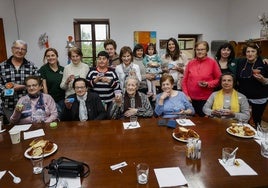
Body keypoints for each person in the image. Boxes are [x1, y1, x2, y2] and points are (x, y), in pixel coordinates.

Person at [0, 40, 39, 121]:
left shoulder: (31, 66)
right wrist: (11, 90)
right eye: (17, 48)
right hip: (9, 106)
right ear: (12, 49)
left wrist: (23, 87)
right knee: (13, 129)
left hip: (29, 105)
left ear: (26, 52)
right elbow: (0, 89)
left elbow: (38, 84)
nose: (20, 51)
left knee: (30, 129)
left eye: (23, 49)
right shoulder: (2, 66)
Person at [182, 41, 222, 117]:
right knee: (190, 121)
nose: (200, 52)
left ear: (206, 50)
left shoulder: (212, 63)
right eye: (198, 49)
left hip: (205, 100)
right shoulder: (191, 63)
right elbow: (184, 81)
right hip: (190, 99)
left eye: (202, 49)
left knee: (204, 123)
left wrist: (208, 84)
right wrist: (186, 95)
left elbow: (219, 79)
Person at [236, 42, 268, 126]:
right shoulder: (241, 62)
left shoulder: (264, 63)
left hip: (259, 98)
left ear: (257, 52)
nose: (250, 54)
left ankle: (255, 136)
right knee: (242, 121)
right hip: (243, 98)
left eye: (253, 51)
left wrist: (264, 80)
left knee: (256, 121)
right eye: (248, 51)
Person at [39, 48, 65, 119]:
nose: (50, 58)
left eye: (52, 55)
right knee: (53, 119)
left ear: (57, 56)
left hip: (62, 99)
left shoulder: (63, 69)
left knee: (62, 119)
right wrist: (47, 100)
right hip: (50, 100)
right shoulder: (43, 69)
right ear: (46, 57)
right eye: (48, 56)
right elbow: (44, 85)